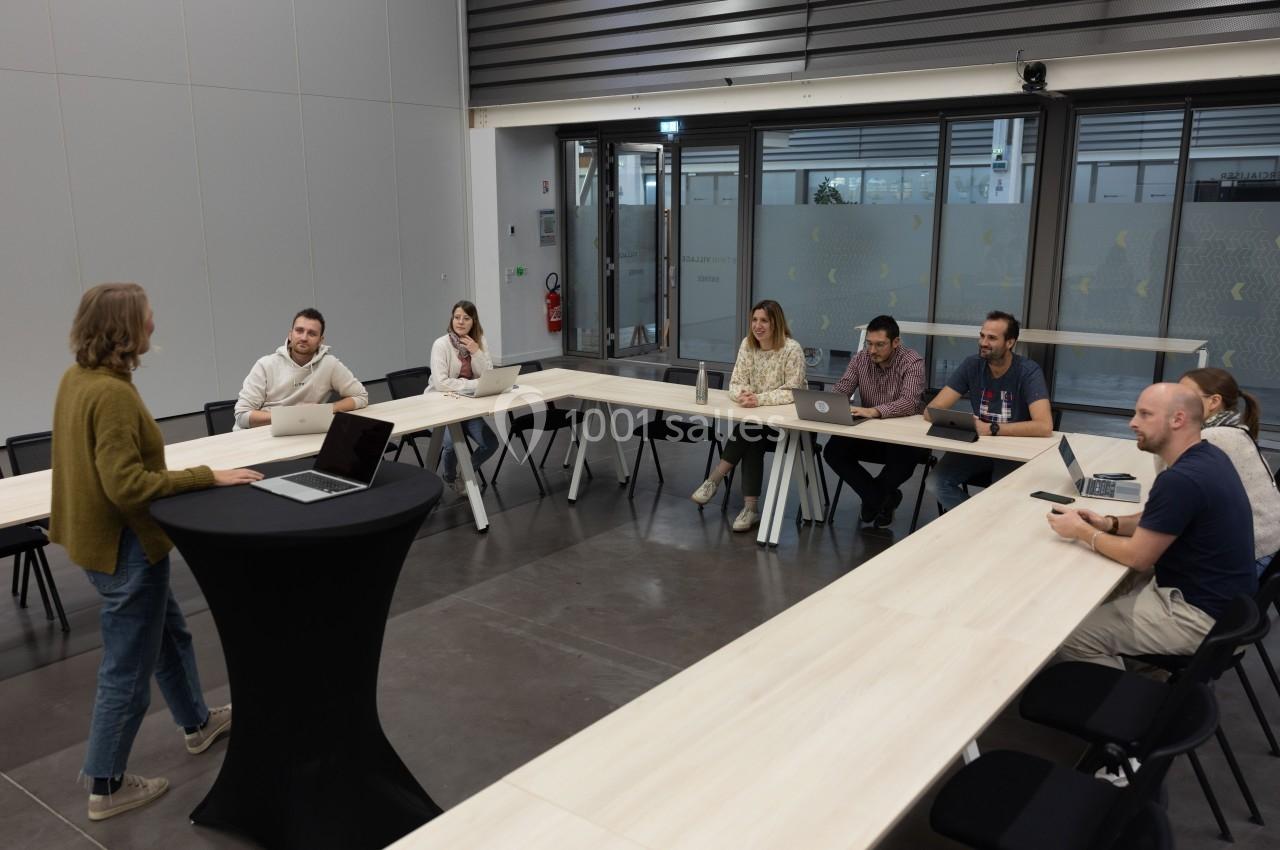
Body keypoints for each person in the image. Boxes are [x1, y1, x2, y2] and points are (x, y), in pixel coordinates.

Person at [49, 283, 264, 821]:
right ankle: (107, 784)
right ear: (127, 328)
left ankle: (197, 723)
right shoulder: (113, 394)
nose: (154, 323)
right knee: (126, 671)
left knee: (170, 634)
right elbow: (126, 485)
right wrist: (205, 478)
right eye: (147, 316)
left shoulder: (79, 378)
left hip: (104, 544)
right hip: (126, 551)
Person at [1047, 383, 1256, 669]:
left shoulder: (1180, 480)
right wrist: (1109, 523)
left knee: (1071, 636)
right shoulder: (1208, 457)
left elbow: (1138, 557)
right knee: (1104, 594)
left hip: (1199, 615)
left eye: (1145, 414)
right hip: (1224, 602)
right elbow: (1159, 518)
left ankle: (1118, 708)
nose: (1133, 422)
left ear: (1178, 420)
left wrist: (1082, 531)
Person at [690, 300, 805, 532]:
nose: (758, 326)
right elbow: (736, 382)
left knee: (750, 430)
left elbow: (794, 391)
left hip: (786, 425)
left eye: (764, 320)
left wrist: (758, 399)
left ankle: (715, 480)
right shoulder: (747, 345)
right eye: (754, 320)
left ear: (776, 322)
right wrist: (743, 395)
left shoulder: (792, 349)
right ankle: (750, 509)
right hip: (755, 421)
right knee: (752, 433)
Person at [926, 310, 1053, 510]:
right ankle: (979, 523)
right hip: (977, 444)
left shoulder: (1028, 371)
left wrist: (992, 428)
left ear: (1010, 342)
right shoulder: (972, 365)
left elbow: (1044, 426)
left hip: (1013, 448)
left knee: (999, 495)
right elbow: (932, 410)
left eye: (992, 338)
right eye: (982, 335)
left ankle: (986, 524)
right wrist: (957, 421)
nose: (983, 342)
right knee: (935, 483)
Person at [823, 314, 927, 527]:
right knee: (833, 450)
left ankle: (873, 499)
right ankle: (883, 499)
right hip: (870, 433)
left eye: (880, 345)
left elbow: (908, 403)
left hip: (904, 438)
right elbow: (843, 388)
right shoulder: (861, 358)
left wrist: (874, 411)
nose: (872, 350)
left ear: (896, 342)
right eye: (869, 343)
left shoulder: (912, 361)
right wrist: (827, 403)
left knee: (905, 461)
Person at [1178, 368, 1279, 574]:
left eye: (1184, 396)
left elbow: (1169, 478)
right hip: (1269, 543)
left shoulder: (1212, 438)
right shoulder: (1234, 429)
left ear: (1214, 402)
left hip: (1253, 552)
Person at [233, 307, 368, 430]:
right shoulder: (265, 365)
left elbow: (361, 397)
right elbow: (242, 416)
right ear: (290, 335)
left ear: (321, 340)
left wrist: (326, 409)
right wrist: (291, 417)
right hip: (262, 436)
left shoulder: (329, 364)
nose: (304, 338)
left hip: (304, 433)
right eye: (299, 331)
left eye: (312, 333)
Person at [428, 300, 501, 496]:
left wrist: (476, 352)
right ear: (451, 319)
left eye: (466, 318)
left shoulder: (478, 341)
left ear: (473, 321)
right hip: (441, 404)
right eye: (457, 317)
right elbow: (442, 384)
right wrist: (475, 384)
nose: (460, 322)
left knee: (491, 443)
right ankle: (449, 477)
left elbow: (489, 375)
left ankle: (464, 474)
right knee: (451, 444)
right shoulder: (441, 344)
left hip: (467, 405)